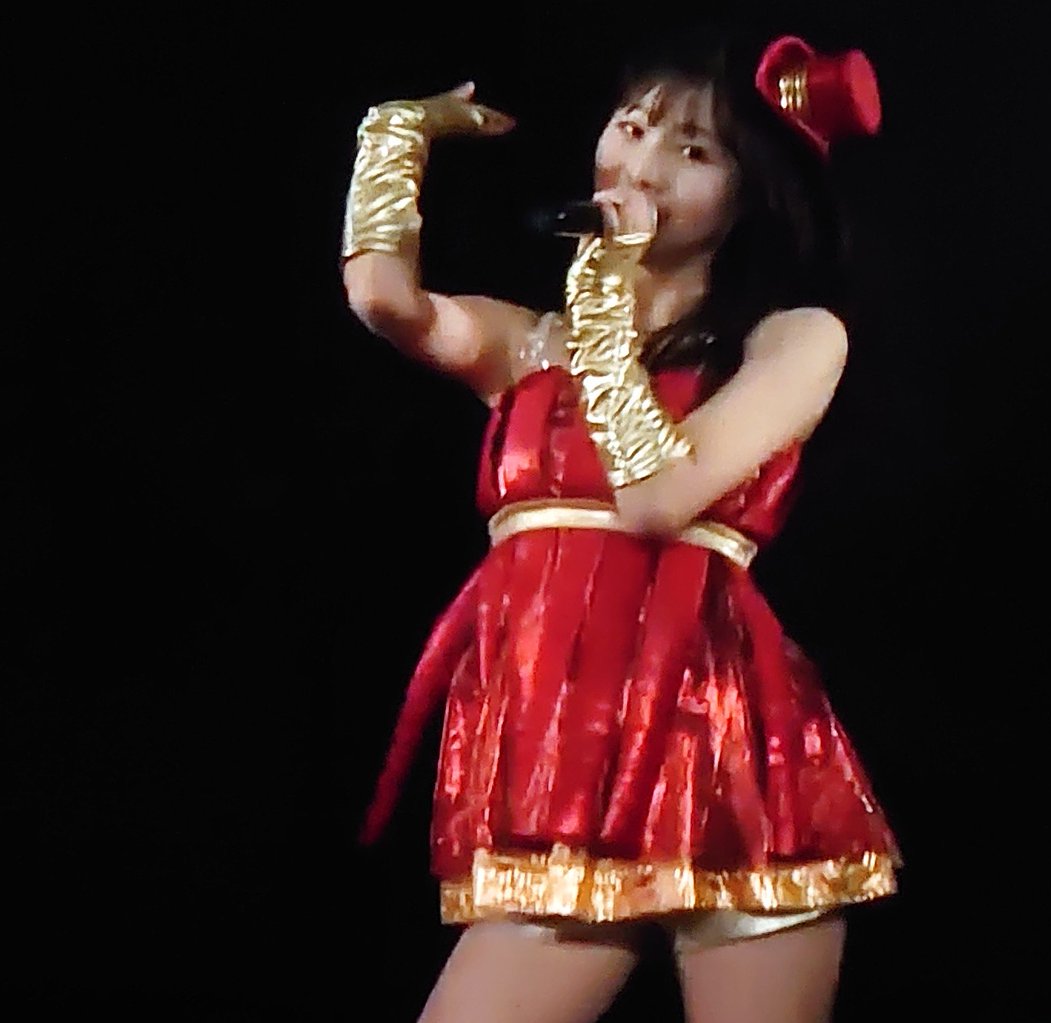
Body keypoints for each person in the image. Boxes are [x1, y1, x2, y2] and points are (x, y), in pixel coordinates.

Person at [340, 24, 900, 1023]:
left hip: (726, 754)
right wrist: (393, 138)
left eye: (693, 150)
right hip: (565, 752)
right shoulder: (532, 344)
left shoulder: (795, 339)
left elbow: (654, 498)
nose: (642, 165)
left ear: (747, 195)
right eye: (633, 127)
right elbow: (389, 302)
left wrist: (605, 292)